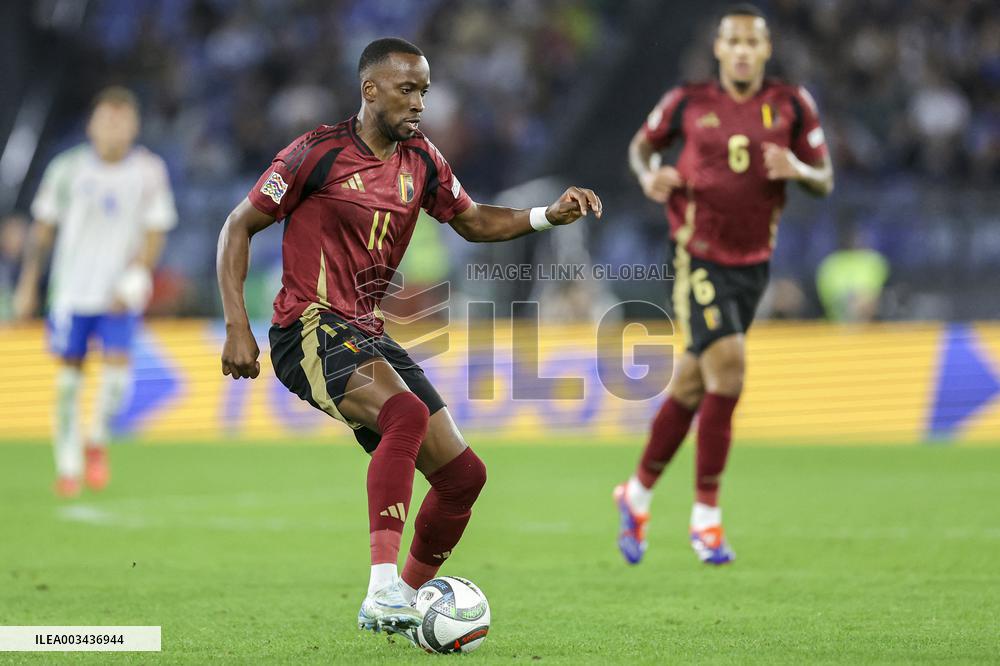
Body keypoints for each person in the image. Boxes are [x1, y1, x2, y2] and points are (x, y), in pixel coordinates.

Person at [217, 37, 602, 637]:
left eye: (424, 89)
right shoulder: (315, 154)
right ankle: (381, 589)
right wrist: (237, 326)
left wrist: (544, 217)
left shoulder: (421, 159)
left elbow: (472, 221)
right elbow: (237, 226)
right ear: (370, 90)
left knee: (463, 478)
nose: (419, 102)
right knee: (404, 415)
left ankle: (404, 601)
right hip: (309, 327)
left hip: (367, 330)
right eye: (407, 89)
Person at [614, 4, 833, 566]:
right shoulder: (686, 103)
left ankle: (635, 494)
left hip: (753, 264)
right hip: (696, 256)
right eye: (731, 40)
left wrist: (799, 170)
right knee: (729, 366)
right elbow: (640, 146)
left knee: (691, 385)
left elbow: (825, 179)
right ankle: (706, 518)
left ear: (765, 49)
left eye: (751, 41)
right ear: (718, 48)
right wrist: (648, 176)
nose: (740, 50)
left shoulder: (791, 104)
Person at [14, 86, 177, 498]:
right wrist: (28, 284)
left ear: (134, 125)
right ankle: (67, 468)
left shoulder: (148, 170)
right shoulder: (66, 170)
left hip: (117, 294)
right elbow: (43, 229)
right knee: (68, 384)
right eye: (106, 120)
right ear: (91, 124)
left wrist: (137, 274)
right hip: (70, 294)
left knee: (118, 381)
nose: (113, 128)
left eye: (121, 121)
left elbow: (156, 229)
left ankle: (95, 440)